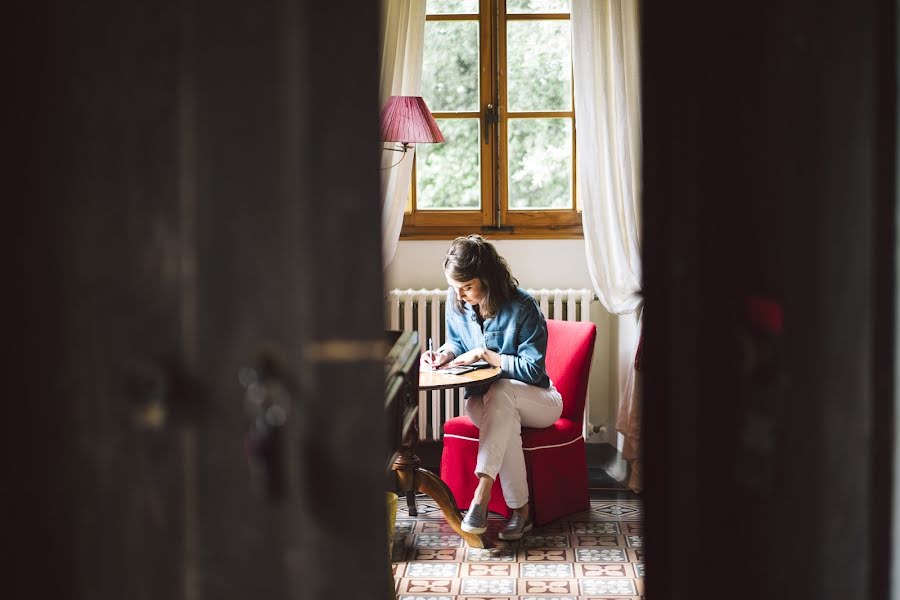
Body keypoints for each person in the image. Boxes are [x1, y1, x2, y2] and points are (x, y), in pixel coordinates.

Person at [421, 234, 562, 540]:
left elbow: (532, 369)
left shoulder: (523, 306)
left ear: (487, 279)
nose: (459, 296)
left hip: (541, 400)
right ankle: (521, 511)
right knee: (501, 414)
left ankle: (480, 496)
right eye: (454, 288)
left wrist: (487, 355)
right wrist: (443, 354)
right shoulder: (456, 302)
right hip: (485, 402)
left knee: (501, 394)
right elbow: (457, 343)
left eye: (466, 287)